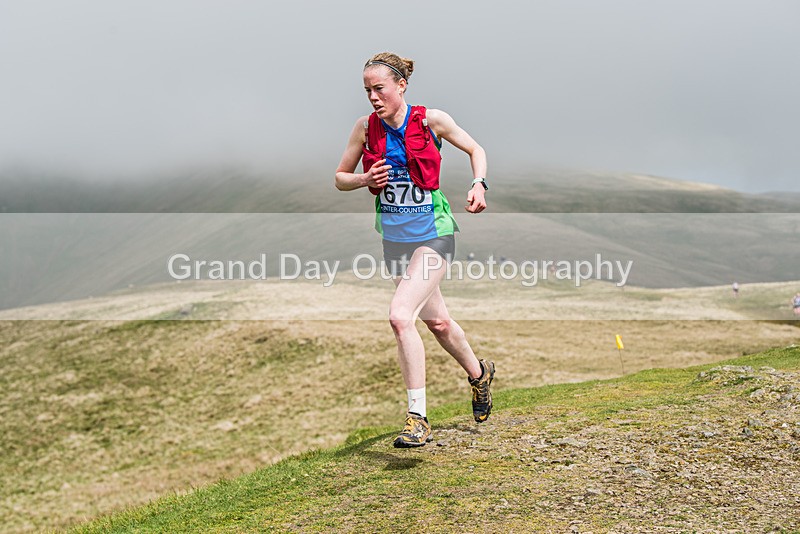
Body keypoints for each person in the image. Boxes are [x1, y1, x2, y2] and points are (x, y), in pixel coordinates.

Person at [335, 52, 495, 448]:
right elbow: (339, 177)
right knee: (438, 323)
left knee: (399, 316)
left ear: (401, 86)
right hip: (395, 240)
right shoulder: (364, 128)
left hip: (434, 235)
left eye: (380, 88)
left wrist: (479, 184)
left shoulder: (430, 120)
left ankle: (417, 417)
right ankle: (480, 375)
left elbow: (476, 149)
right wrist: (363, 178)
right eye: (367, 90)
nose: (373, 97)